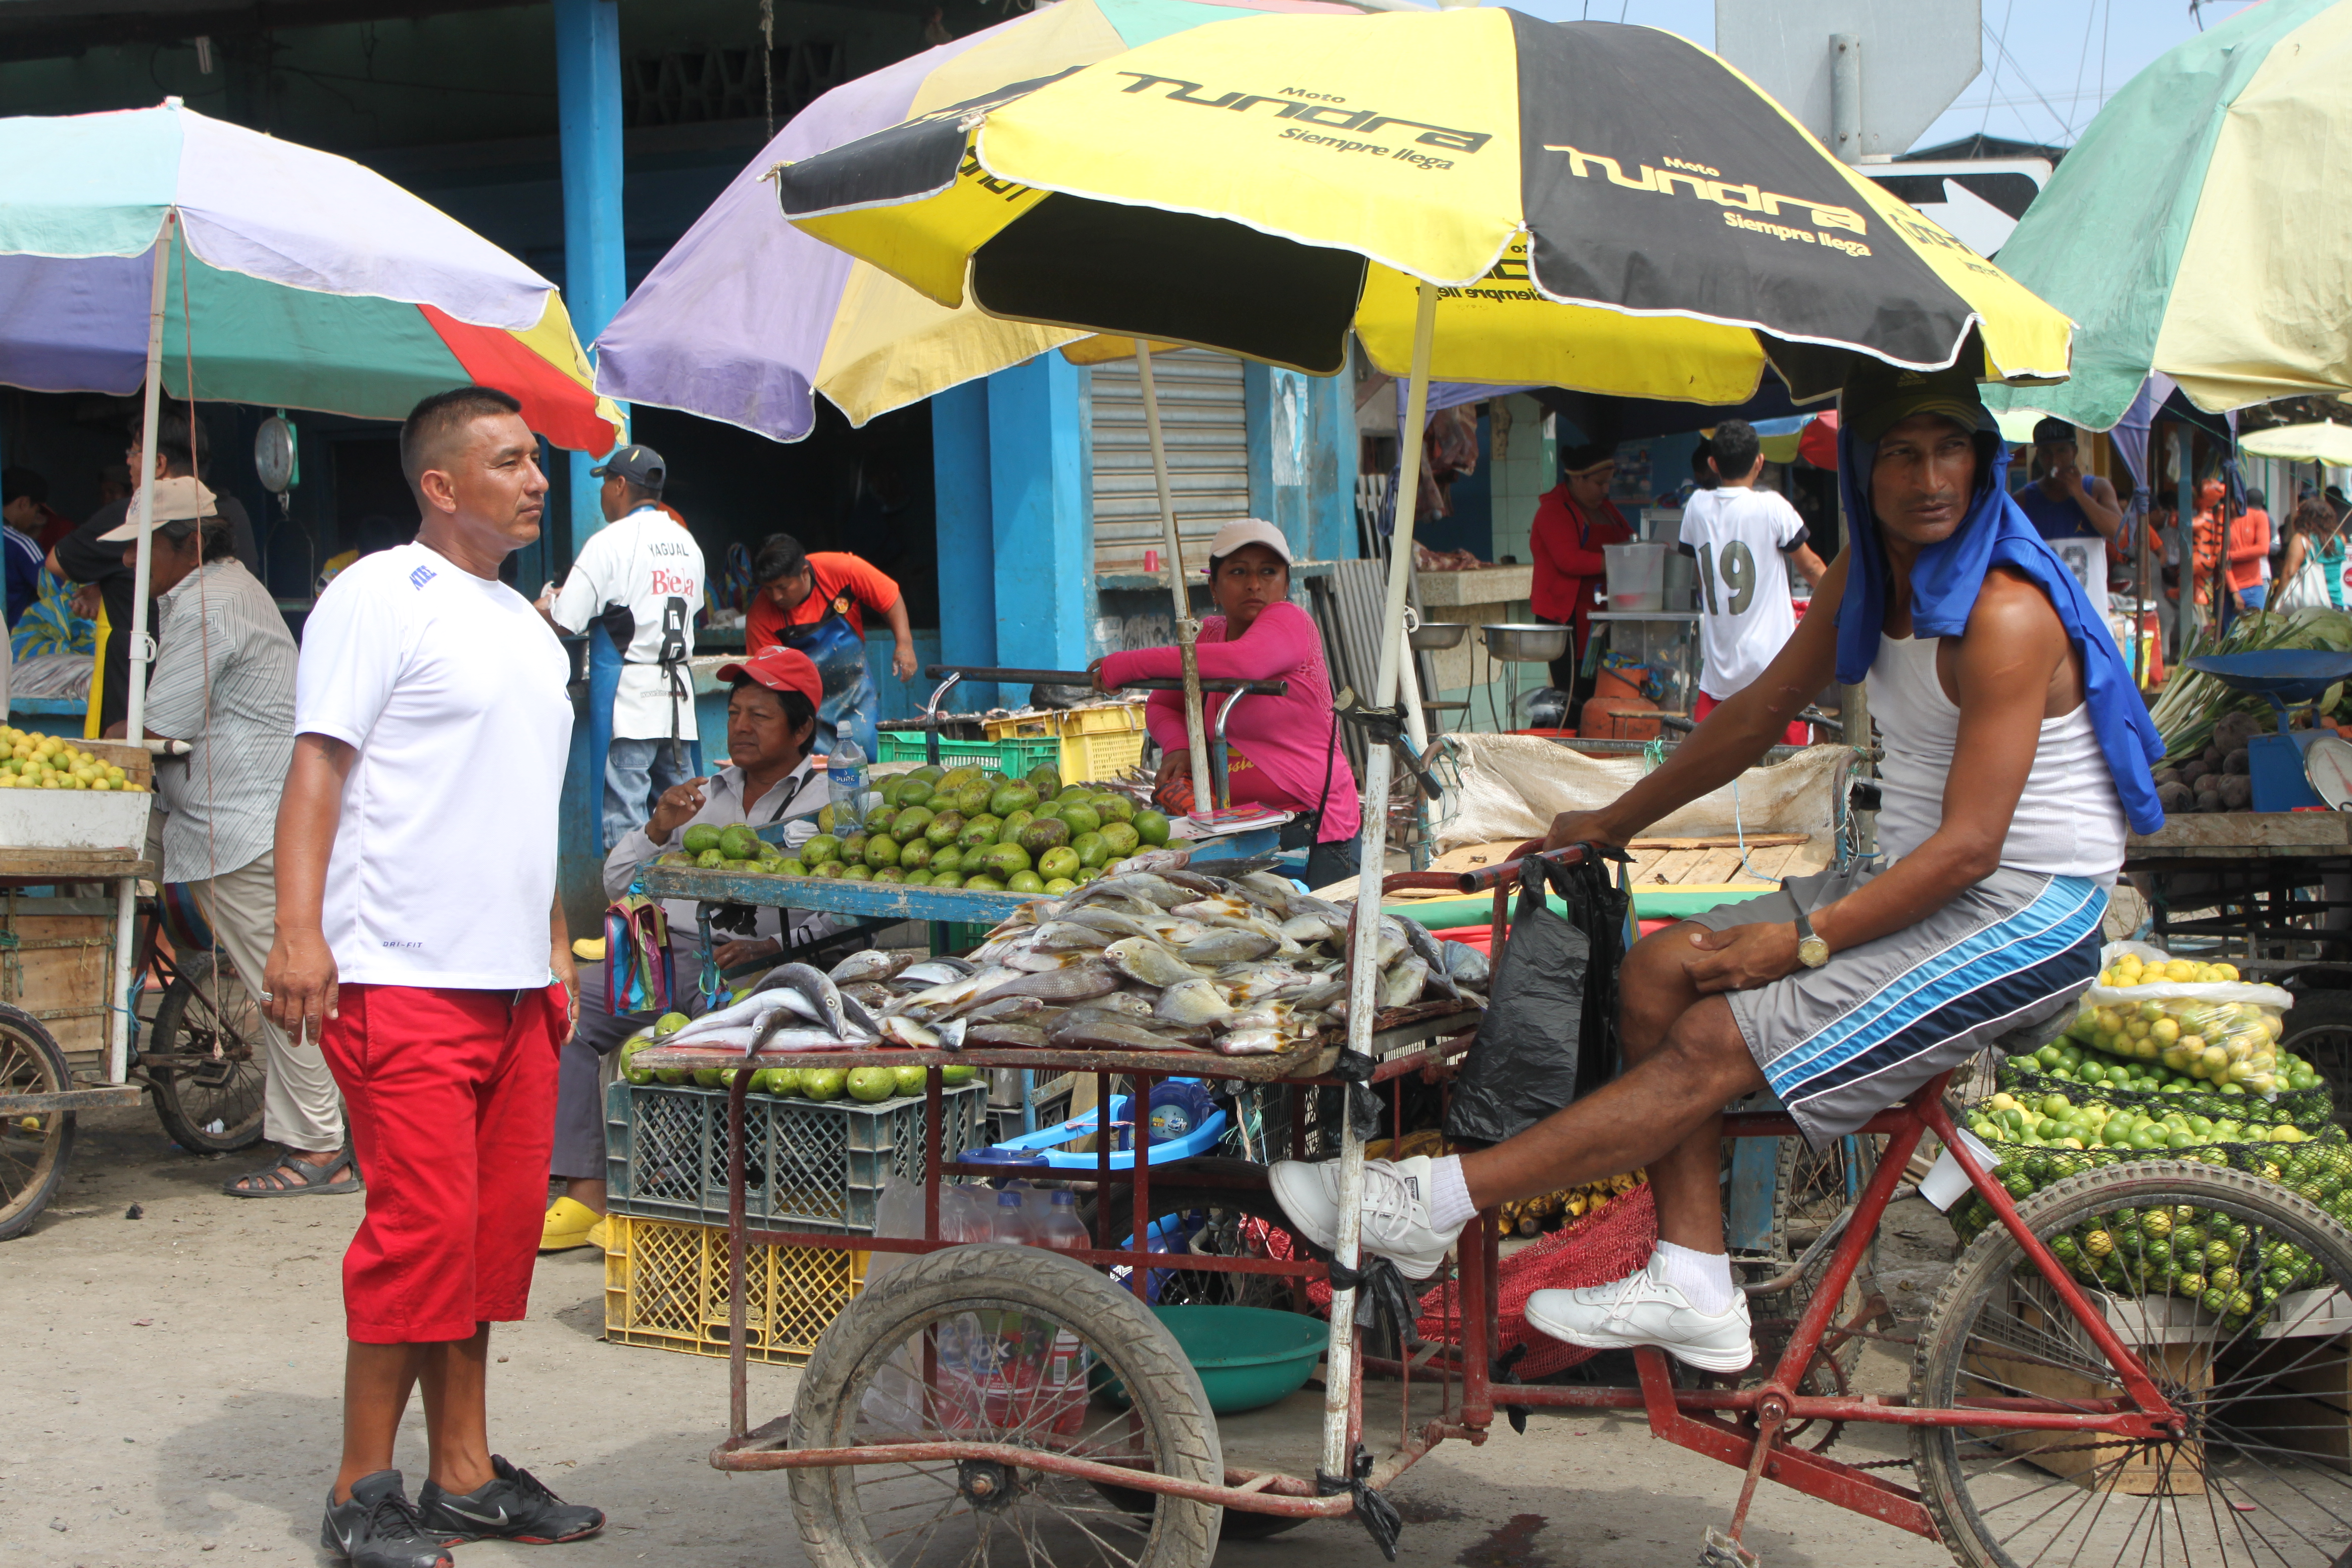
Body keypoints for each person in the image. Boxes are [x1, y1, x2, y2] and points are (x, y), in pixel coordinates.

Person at [1267, 360, 2160, 1373]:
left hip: (2025, 908)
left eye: (1950, 449)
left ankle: (1433, 1202)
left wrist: (1804, 937)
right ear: (1863, 471)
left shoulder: (2003, 610)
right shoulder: (1877, 580)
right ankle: (1696, 1279)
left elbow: (1973, 849)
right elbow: (1750, 717)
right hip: (1920, 882)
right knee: (1660, 970)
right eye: (1902, 454)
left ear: (1983, 459)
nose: (1929, 478)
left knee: (1714, 1042)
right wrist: (1609, 819)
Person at [264, 385, 602, 1567]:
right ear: (440, 484)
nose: (536, 478)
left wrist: (555, 941)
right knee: (418, 1232)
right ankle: (363, 1489)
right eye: (508, 460)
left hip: (514, 981)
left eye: (536, 461)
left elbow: (518, 802)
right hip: (399, 971)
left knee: (490, 1232)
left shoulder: (525, 623)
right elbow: (317, 766)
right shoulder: (374, 596)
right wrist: (297, 931)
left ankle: (462, 1471)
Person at [542, 644, 833, 1252]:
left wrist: (773, 944)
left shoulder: (833, 803)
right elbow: (617, 883)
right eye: (734, 713)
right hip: (664, 955)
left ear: (802, 728)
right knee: (564, 1017)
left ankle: (687, 1195)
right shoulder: (703, 796)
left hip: (762, 968)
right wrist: (656, 828)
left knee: (711, 1049)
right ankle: (584, 1192)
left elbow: (849, 911)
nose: (742, 727)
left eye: (761, 715)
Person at [96, 479, 343, 1195]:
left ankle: (320, 1146)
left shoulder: (212, 602)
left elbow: (159, 723)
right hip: (234, 819)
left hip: (245, 822)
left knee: (285, 989)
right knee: (282, 982)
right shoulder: (217, 593)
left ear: (190, 543)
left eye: (146, 549)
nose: (133, 564)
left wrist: (114, 739)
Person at [1090, 519, 1363, 889]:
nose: (1254, 584)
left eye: (1269, 572)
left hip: (1315, 830)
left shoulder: (1291, 622)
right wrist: (1179, 746)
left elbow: (1244, 662)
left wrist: (1125, 665)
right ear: (1214, 587)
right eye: (1238, 572)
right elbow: (1162, 705)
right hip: (1236, 831)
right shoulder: (1212, 634)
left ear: (1286, 584)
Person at [48, 409, 257, 739]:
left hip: (150, 708)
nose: (130, 560)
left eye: (133, 453)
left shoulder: (199, 609)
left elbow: (56, 564)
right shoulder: (234, 514)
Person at [539, 444, 707, 851]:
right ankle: (677, 913)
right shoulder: (687, 543)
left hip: (632, 704)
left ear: (618, 485)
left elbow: (565, 620)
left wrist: (537, 607)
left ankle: (632, 913)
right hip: (677, 706)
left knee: (628, 828)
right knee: (683, 821)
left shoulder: (610, 542)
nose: (602, 496)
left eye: (604, 486)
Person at [1677, 419, 1827, 745]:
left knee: (1710, 760)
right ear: (1759, 462)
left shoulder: (1697, 507)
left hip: (1720, 669)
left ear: (1713, 464)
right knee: (1793, 762)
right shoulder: (1772, 506)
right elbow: (1812, 568)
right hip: (1773, 668)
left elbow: (1701, 579)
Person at [745, 532, 917, 758]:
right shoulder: (760, 615)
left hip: (854, 691)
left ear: (804, 573)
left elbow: (889, 596)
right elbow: (768, 679)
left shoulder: (842, 569)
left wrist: (904, 644)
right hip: (804, 703)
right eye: (768, 589)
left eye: (783, 587)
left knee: (865, 757)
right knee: (813, 768)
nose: (776, 597)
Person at [1529, 442, 1634, 701]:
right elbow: (1569, 560)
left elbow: (1630, 542)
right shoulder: (1554, 510)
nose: (1606, 490)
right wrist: (1619, 562)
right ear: (1577, 478)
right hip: (1566, 620)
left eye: (1608, 483)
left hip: (1602, 614)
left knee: (1603, 689)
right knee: (1573, 693)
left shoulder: (1607, 510)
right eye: (1600, 483)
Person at [2015, 417, 2122, 543]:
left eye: (2062, 451)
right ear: (2039, 456)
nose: (2055, 460)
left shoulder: (2098, 487)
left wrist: (2080, 494)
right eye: (2047, 453)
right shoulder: (2024, 499)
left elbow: (2119, 534)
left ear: (2074, 452)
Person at [2276, 495, 2346, 610]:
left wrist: (2277, 600)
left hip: (2312, 605)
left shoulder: (2302, 539)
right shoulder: (2340, 538)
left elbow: (2289, 572)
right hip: (2336, 601)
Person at [2, 471, 43, 628]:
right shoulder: (23, 545)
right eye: (37, 511)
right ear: (24, 503)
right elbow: (55, 590)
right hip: (12, 645)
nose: (36, 518)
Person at [2228, 486, 2272, 615]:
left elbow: (2264, 549)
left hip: (2257, 581)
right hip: (2236, 585)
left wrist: (2231, 556)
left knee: (2257, 630)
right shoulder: (2225, 520)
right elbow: (2222, 559)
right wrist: (2234, 591)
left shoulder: (2260, 517)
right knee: (2235, 632)